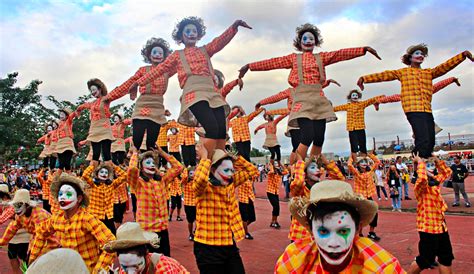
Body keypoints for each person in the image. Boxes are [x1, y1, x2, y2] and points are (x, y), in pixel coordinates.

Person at [240, 23, 381, 160]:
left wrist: (363, 50)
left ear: (316, 42)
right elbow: (272, 62)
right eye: (305, 39)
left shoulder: (322, 57)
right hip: (302, 101)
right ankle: (297, 168)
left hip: (319, 99)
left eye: (311, 39)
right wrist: (250, 66)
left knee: (319, 138)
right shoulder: (293, 58)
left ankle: (312, 166)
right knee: (307, 136)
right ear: (299, 42)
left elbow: (340, 54)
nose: (308, 41)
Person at [129, 17, 252, 159]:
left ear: (198, 35)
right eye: (187, 31)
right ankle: (208, 162)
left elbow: (219, 41)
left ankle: (219, 163)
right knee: (211, 127)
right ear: (181, 36)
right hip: (193, 93)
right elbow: (159, 70)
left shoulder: (205, 50)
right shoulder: (176, 55)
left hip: (212, 92)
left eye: (194, 31)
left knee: (220, 130)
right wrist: (138, 83)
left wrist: (234, 26)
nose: (191, 33)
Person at [358, 44, 473, 159]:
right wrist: (365, 79)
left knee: (430, 141)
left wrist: (462, 56)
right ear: (410, 57)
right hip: (413, 109)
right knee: (423, 139)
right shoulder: (403, 72)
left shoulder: (428, 73)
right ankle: (417, 164)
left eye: (422, 54)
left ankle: (424, 163)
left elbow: (444, 67)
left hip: (426, 109)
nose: (421, 56)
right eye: (417, 53)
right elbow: (385, 75)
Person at [276, 180, 404, 273]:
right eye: (323, 231)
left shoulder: (382, 268)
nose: (333, 243)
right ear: (311, 231)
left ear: (357, 229)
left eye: (343, 231)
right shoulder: (292, 262)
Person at [29, 172, 116, 272]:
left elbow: (110, 242)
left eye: (69, 194)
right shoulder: (56, 218)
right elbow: (41, 231)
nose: (62, 197)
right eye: (60, 194)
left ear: (79, 199)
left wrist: (98, 271)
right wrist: (32, 260)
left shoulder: (87, 219)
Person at [193, 146, 258, 272]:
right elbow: (200, 179)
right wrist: (205, 158)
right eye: (225, 170)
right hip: (207, 247)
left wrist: (235, 157)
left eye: (231, 170)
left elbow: (252, 170)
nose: (229, 174)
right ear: (212, 170)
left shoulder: (230, 183)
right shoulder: (204, 188)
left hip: (228, 244)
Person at [107, 38, 174, 151]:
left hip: (157, 106)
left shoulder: (167, 70)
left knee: (151, 142)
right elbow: (129, 83)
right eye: (154, 52)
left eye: (160, 53)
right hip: (142, 105)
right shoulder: (143, 70)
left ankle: (149, 163)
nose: (157, 55)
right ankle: (135, 162)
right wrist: (109, 97)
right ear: (149, 55)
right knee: (137, 139)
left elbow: (182, 64)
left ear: (164, 56)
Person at [127, 147, 183, 256]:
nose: (152, 165)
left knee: (165, 260)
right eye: (148, 162)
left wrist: (162, 153)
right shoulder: (138, 183)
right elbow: (132, 171)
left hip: (162, 229)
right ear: (141, 168)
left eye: (153, 163)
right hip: (146, 231)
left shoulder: (162, 180)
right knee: (149, 263)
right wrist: (135, 153)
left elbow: (179, 168)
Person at [408, 154, 454, 274]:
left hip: (441, 225)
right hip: (428, 227)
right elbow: (422, 179)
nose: (429, 168)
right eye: (426, 167)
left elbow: (447, 172)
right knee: (425, 259)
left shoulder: (434, 182)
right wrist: (419, 162)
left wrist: (436, 159)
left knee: (446, 258)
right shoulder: (420, 187)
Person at [289, 154, 344, 242]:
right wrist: (300, 162)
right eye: (313, 167)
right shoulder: (300, 191)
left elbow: (340, 180)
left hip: (320, 234)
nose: (317, 170)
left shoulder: (322, 187)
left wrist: (326, 163)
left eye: (318, 167)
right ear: (305, 174)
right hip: (301, 234)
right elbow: (298, 182)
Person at [103, 222, 189, 273]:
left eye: (136, 266)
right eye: (125, 267)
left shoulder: (163, 268)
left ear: (146, 254)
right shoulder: (126, 266)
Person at [333, 90, 384, 159]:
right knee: (353, 146)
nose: (355, 97)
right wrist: (327, 109)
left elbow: (370, 101)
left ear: (358, 96)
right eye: (353, 95)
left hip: (360, 127)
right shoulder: (347, 106)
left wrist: (381, 97)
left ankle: (364, 158)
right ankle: (355, 161)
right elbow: (337, 108)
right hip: (351, 128)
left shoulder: (361, 104)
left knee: (362, 144)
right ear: (350, 97)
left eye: (356, 95)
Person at [81, 162, 128, 235]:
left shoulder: (111, 185)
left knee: (112, 235)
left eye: (106, 172)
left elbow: (124, 176)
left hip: (108, 215)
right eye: (102, 172)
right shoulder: (93, 184)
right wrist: (93, 166)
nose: (104, 174)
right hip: (96, 216)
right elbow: (85, 175)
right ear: (97, 174)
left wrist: (114, 166)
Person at [347, 153, 381, 241]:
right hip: (360, 197)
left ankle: (371, 232)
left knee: (375, 212)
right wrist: (353, 155)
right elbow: (349, 165)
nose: (364, 163)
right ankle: (360, 233)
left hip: (368, 195)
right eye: (361, 162)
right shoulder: (356, 173)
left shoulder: (370, 172)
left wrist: (368, 154)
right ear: (358, 164)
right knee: (361, 215)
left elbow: (377, 162)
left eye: (365, 161)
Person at [0, 185, 31, 274]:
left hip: (17, 237)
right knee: (24, 260)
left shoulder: (12, 207)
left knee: (16, 258)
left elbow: (1, 219)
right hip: (25, 236)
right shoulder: (32, 208)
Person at [266, 160, 288, 229]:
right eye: (275, 164)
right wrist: (272, 165)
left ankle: (273, 221)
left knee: (277, 207)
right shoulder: (270, 173)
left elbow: (287, 171)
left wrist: (280, 163)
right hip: (270, 192)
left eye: (277, 164)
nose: (277, 165)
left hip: (276, 192)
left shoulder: (279, 174)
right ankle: (275, 222)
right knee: (276, 206)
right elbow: (272, 171)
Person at [238, 174, 257, 240]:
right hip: (243, 200)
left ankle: (241, 228)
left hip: (250, 199)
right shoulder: (240, 177)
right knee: (244, 218)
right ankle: (246, 233)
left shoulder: (251, 177)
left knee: (252, 218)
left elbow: (256, 172)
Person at [182, 167, 197, 241]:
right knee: (190, 221)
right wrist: (186, 168)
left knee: (198, 220)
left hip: (197, 204)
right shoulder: (185, 182)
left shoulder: (197, 181)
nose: (192, 175)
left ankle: (197, 232)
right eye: (191, 173)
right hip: (188, 204)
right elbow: (184, 177)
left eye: (194, 173)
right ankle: (191, 234)